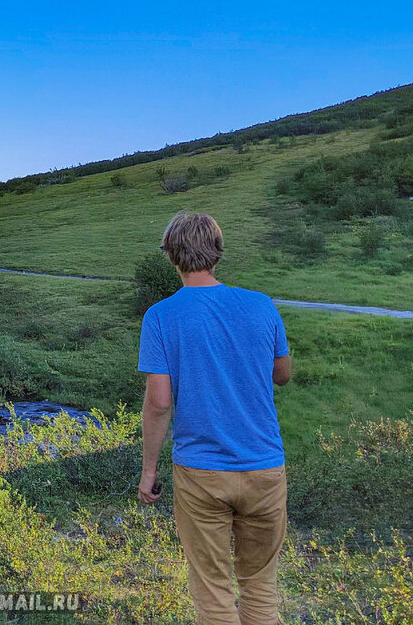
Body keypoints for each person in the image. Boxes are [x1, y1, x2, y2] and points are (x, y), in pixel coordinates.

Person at [137, 211, 293, 625]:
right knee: (261, 588)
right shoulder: (261, 305)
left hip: (200, 473)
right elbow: (283, 374)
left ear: (171, 255)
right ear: (218, 253)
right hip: (264, 467)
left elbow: (159, 403)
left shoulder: (161, 316)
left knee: (213, 591)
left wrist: (149, 470)